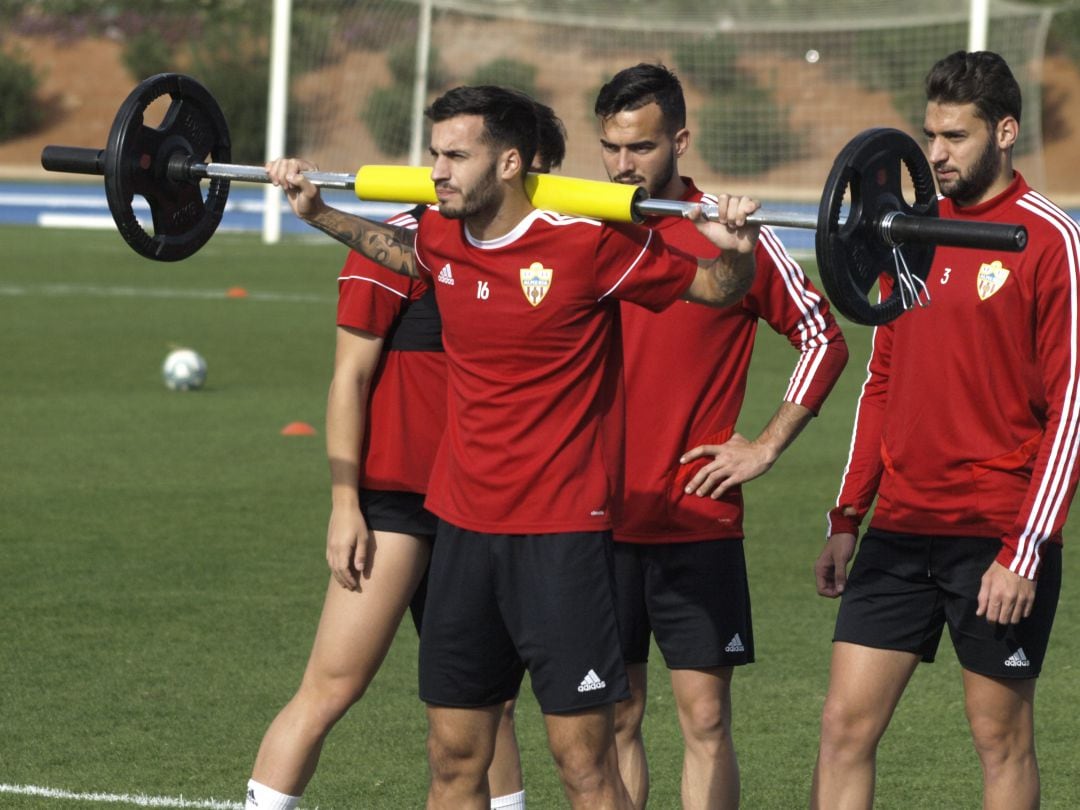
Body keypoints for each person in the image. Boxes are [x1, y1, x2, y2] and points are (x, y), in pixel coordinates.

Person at [266, 84, 762, 809]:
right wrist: (319, 213)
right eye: (434, 154)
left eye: (455, 156)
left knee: (584, 767)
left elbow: (717, 290)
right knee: (453, 760)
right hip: (463, 533)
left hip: (561, 539)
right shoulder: (444, 235)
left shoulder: (588, 242)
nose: (437, 170)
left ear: (508, 162)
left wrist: (739, 254)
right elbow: (403, 254)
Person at [243, 101, 568, 810]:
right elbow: (349, 379)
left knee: (493, 708)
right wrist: (343, 505)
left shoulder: (543, 262)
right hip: (398, 507)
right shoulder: (399, 247)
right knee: (331, 687)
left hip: (484, 507)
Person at [812, 50, 1079, 810]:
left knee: (1000, 741)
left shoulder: (1049, 238)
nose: (934, 154)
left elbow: (1073, 408)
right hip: (899, 527)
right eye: (929, 134)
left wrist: (1023, 552)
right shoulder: (908, 230)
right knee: (842, 731)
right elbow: (882, 381)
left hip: (995, 534)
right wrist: (846, 516)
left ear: (1004, 131)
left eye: (954, 137)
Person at [591, 63, 848, 809]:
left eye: (639, 147)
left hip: (695, 516)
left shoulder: (733, 235)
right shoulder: (589, 226)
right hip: (594, 514)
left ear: (680, 139)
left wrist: (764, 445)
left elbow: (821, 337)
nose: (621, 164)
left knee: (704, 717)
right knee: (617, 717)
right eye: (609, 146)